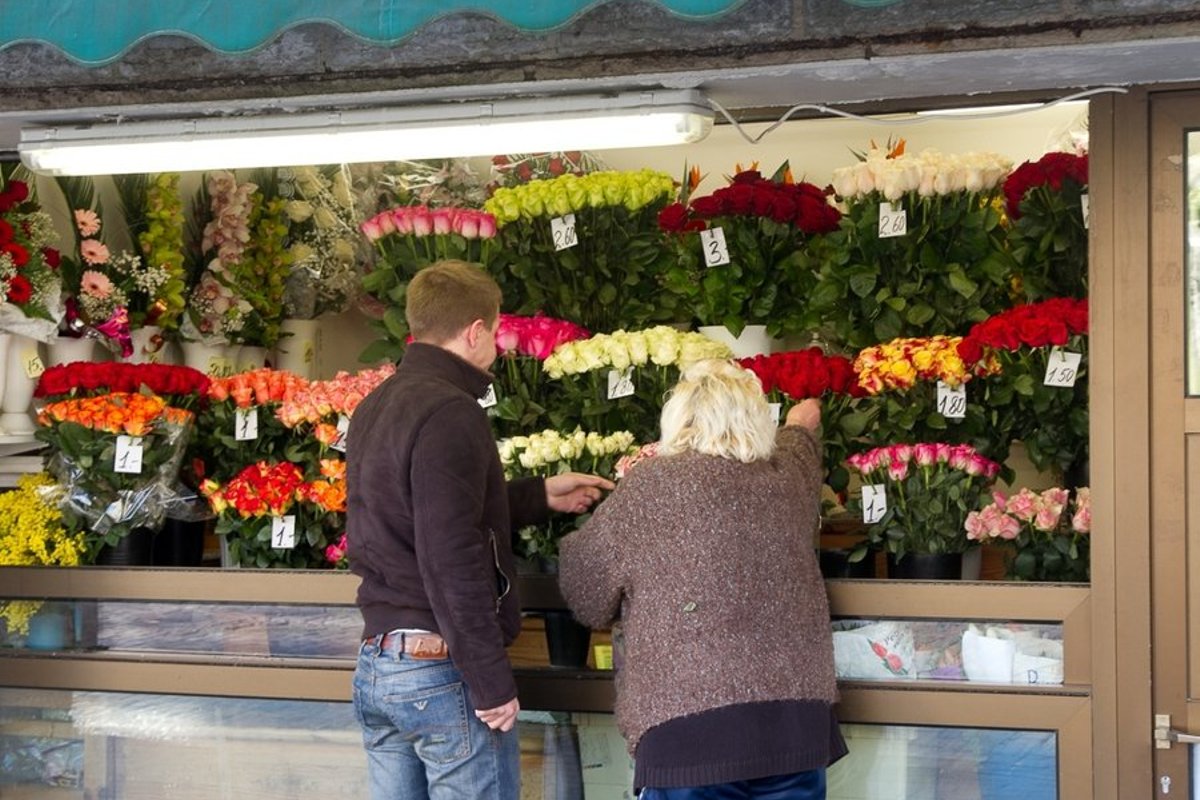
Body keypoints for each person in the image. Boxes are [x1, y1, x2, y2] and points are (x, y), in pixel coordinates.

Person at [346, 259, 613, 800]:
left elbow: (413, 512)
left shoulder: (375, 405)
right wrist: (491, 682)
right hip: (437, 673)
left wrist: (537, 495)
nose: (497, 349)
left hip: (379, 666)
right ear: (474, 332)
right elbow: (451, 554)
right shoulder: (450, 411)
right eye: (494, 333)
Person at [558, 358, 847, 800]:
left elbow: (587, 594)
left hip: (688, 736)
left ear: (678, 418)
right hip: (796, 731)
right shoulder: (788, 479)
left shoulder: (651, 485)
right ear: (756, 419)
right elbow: (799, 447)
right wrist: (801, 420)